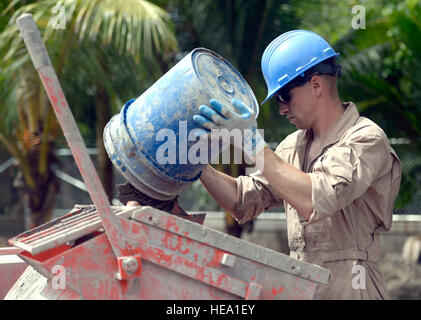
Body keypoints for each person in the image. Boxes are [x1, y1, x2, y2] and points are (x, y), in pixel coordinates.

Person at [193, 30, 402, 299]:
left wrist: (251, 143)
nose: (282, 109)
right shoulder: (293, 146)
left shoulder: (366, 139)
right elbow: (242, 200)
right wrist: (197, 164)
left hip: (352, 287)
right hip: (303, 287)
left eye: (285, 97)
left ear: (316, 85)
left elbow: (318, 197)